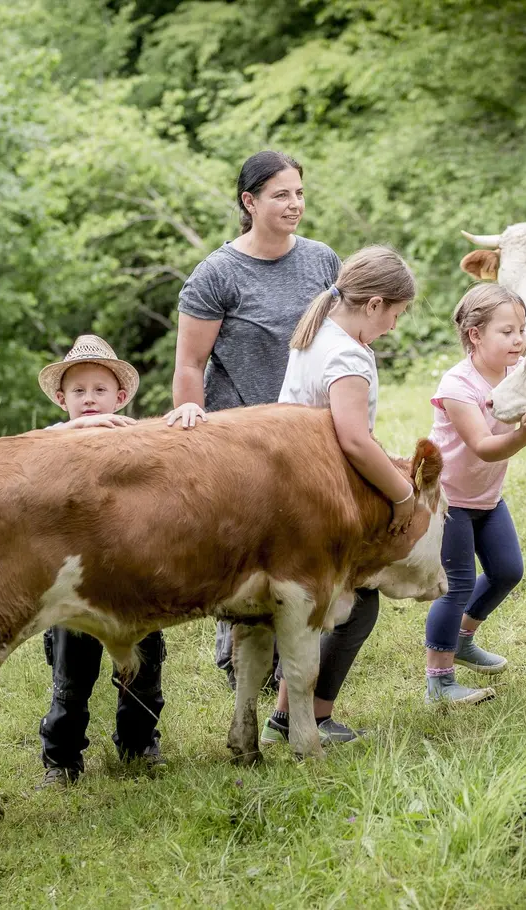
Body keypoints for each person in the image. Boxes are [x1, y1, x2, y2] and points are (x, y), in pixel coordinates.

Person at [165, 150, 340, 690]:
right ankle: (237, 652)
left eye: (299, 193)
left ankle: (297, 652)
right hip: (240, 437)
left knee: (304, 541)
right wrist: (192, 426)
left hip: (310, 429)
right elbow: (189, 363)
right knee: (245, 546)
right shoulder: (217, 274)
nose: (294, 204)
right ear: (249, 201)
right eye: (280, 195)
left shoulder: (322, 261)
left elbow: (339, 340)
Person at [259, 245, 418, 747]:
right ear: (373, 304)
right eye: (395, 313)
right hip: (315, 497)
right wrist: (403, 494)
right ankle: (310, 717)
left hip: (290, 487)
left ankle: (285, 715)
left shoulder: (318, 332)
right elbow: (352, 439)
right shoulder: (346, 354)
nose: (393, 325)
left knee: (320, 605)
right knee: (355, 607)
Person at [35, 335, 167, 787]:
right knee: (71, 675)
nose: (89, 400)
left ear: (120, 396)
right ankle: (62, 758)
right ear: (62, 400)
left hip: (134, 575)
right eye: (78, 391)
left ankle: (139, 744)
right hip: (73, 582)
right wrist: (69, 431)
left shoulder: (135, 436)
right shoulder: (52, 440)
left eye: (99, 390)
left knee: (143, 668)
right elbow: (23, 451)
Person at [424, 286, 526, 705]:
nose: (519, 339)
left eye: (521, 329)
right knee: (457, 585)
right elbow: (484, 446)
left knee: (507, 571)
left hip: (487, 497)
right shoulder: (457, 386)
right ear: (475, 335)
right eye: (507, 331)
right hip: (449, 501)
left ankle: (462, 640)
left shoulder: (516, 371)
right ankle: (439, 681)